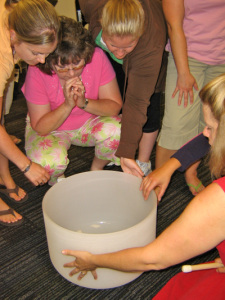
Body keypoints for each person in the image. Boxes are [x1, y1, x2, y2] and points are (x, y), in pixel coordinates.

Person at [62, 74, 225, 298]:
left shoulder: (218, 200)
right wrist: (170, 166)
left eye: (211, 128)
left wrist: (93, 260)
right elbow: (203, 142)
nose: (205, 133)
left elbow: (154, 258)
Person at [22, 16, 122, 185]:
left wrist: (84, 103)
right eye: (62, 67)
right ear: (48, 60)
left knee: (119, 131)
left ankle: (97, 168)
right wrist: (68, 105)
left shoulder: (96, 56)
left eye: (77, 64)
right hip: (51, 128)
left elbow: (114, 106)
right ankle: (57, 181)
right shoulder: (37, 68)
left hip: (88, 121)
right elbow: (40, 126)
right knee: (47, 163)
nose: (71, 73)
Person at [78, 0, 167, 177]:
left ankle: (142, 160)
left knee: (148, 102)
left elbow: (136, 102)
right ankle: (114, 148)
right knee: (117, 95)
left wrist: (127, 152)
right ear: (102, 24)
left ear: (139, 33)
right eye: (113, 44)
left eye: (128, 45)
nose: (120, 53)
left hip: (146, 55)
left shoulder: (151, 41)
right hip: (109, 36)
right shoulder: (93, 6)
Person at [0, 0, 60, 226]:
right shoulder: (2, 57)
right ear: (14, 36)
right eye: (37, 52)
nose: (42, 61)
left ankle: (4, 178)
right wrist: (26, 165)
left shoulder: (24, 14)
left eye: (47, 53)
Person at [156, 0, 225, 195]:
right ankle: (158, 178)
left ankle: (191, 172)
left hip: (222, 57)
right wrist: (183, 71)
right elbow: (173, 24)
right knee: (176, 124)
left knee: (209, 125)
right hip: (189, 54)